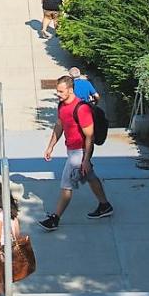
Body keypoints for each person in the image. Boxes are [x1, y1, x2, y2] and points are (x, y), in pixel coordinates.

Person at [38, 75, 113, 229]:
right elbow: (59, 125)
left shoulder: (81, 109)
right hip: (72, 150)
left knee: (66, 185)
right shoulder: (62, 106)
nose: (58, 94)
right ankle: (105, 206)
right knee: (90, 177)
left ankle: (54, 219)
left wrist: (85, 159)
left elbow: (89, 136)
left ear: (70, 90)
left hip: (79, 154)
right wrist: (51, 146)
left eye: (61, 91)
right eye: (57, 91)